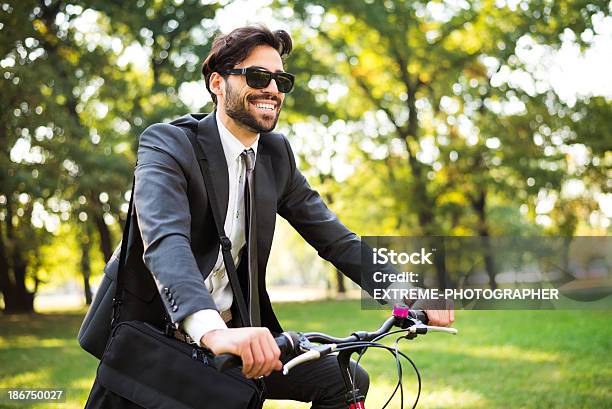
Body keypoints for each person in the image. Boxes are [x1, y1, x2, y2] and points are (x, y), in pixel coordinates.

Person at [132, 25, 453, 408]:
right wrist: (213, 332)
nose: (273, 89)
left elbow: (337, 240)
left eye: (281, 80)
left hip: (241, 339)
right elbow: (166, 241)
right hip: (159, 337)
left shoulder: (275, 156)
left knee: (343, 379)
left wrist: (409, 295)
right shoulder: (168, 144)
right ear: (217, 83)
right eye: (257, 76)